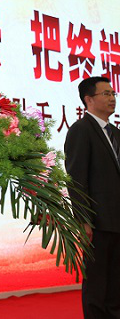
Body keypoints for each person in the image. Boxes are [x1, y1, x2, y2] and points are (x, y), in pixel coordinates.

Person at [65, 76, 120, 319]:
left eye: (113, 94)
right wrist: (83, 220)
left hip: (117, 220)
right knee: (97, 284)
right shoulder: (81, 130)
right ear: (88, 99)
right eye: (106, 94)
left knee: (116, 283)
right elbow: (76, 179)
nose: (112, 98)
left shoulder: (115, 133)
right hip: (97, 222)